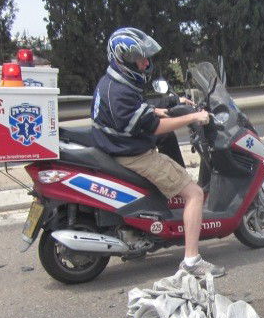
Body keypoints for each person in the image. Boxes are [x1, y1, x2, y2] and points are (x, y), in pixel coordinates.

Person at [91, 27, 225, 278]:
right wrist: (193, 117)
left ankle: (173, 192)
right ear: (123, 59)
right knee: (195, 194)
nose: (144, 63)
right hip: (132, 153)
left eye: (144, 57)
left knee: (167, 136)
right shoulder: (120, 91)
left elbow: (140, 112)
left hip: (117, 144)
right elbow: (154, 126)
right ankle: (192, 261)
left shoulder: (113, 81)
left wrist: (169, 105)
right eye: (138, 58)